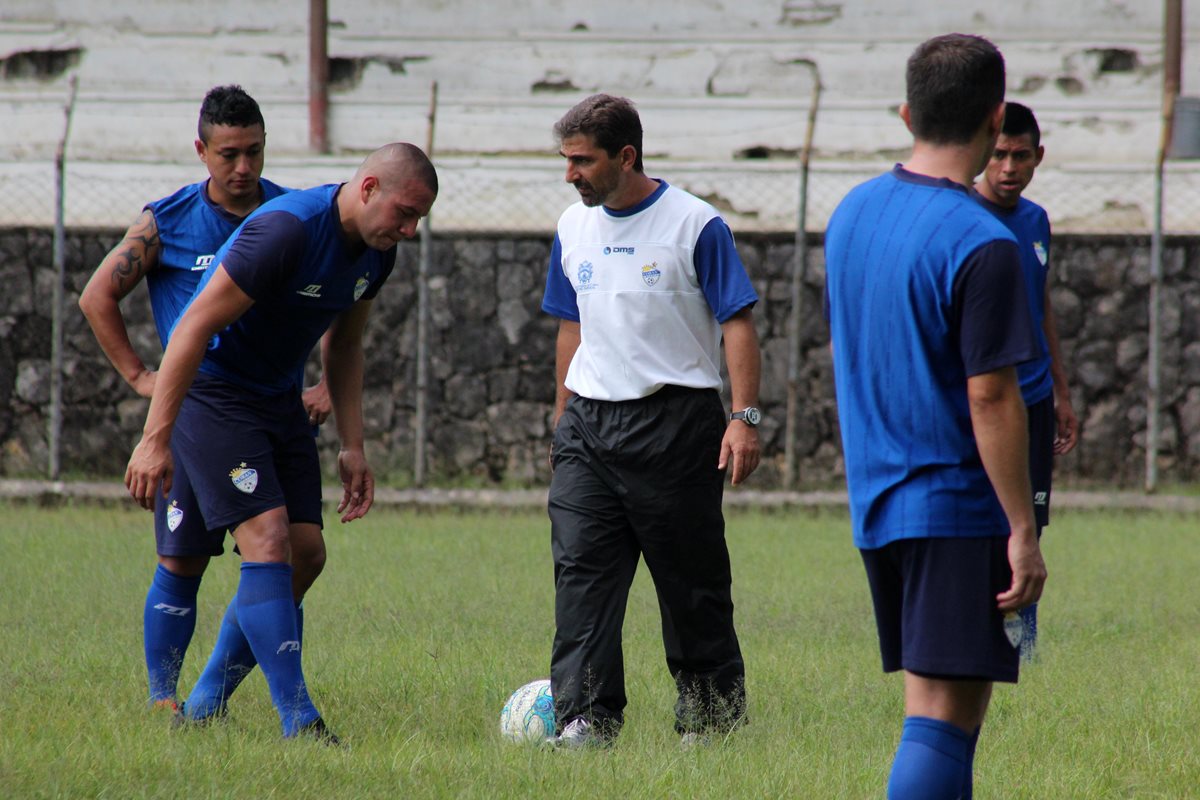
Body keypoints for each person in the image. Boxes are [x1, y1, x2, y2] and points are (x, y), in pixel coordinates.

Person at [124, 142, 438, 741]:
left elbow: (344, 347)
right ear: (367, 187)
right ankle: (301, 721)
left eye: (419, 218)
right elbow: (192, 324)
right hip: (214, 395)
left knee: (306, 553)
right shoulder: (286, 231)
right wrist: (154, 437)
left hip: (277, 401)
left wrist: (353, 445)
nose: (410, 229)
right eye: (404, 211)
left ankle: (205, 703)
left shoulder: (377, 255)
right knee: (260, 542)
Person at [823, 34, 1047, 799]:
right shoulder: (984, 243)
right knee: (943, 717)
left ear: (907, 111)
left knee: (945, 714)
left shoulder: (852, 213)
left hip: (880, 501)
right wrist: (1023, 528)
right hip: (954, 505)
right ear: (995, 119)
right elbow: (991, 395)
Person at [78, 84, 331, 714]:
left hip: (270, 405)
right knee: (184, 557)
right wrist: (142, 378)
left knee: (294, 552)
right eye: (228, 154)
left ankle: (210, 695)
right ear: (201, 150)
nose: (243, 168)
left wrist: (323, 377)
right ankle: (166, 699)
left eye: (253, 152)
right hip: (200, 410)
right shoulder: (166, 221)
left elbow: (325, 297)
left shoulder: (288, 215)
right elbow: (96, 297)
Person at [540, 93, 762, 748]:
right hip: (587, 426)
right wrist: (561, 416)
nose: (571, 174)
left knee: (690, 582)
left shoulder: (694, 224)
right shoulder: (571, 227)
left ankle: (711, 719)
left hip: (675, 423)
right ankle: (584, 720)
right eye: (567, 161)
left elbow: (738, 322)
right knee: (580, 574)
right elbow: (570, 324)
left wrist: (743, 417)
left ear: (625, 156)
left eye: (582, 161)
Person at [972, 101, 1079, 662]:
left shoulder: (1036, 220)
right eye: (998, 155)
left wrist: (1061, 390)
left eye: (1020, 156)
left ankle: (1023, 644)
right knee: (982, 519)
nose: (1009, 167)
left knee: (1030, 523)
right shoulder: (963, 216)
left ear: (1038, 157)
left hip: (1035, 397)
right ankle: (976, 638)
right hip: (984, 400)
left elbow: (1040, 306)